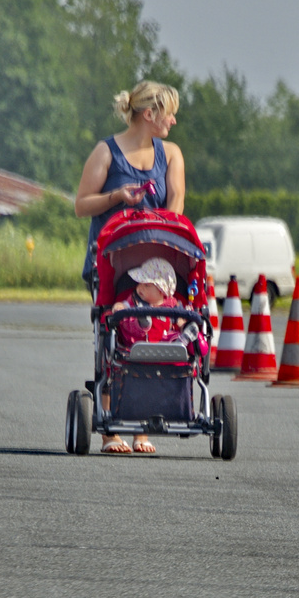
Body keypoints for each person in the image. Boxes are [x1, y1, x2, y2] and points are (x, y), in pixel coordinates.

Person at [74, 80, 186, 296]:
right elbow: (81, 206)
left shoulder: (172, 154)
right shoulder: (106, 152)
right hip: (111, 263)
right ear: (149, 115)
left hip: (155, 262)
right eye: (170, 114)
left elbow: (176, 203)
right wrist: (117, 196)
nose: (174, 120)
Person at [102, 258, 203, 455]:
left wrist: (186, 324)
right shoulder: (131, 300)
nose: (140, 287)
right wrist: (118, 309)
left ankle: (142, 433)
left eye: (147, 285)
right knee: (116, 371)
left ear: (162, 291)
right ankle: (109, 434)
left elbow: (181, 319)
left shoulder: (173, 305)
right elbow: (118, 308)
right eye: (140, 283)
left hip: (166, 352)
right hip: (132, 348)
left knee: (181, 331)